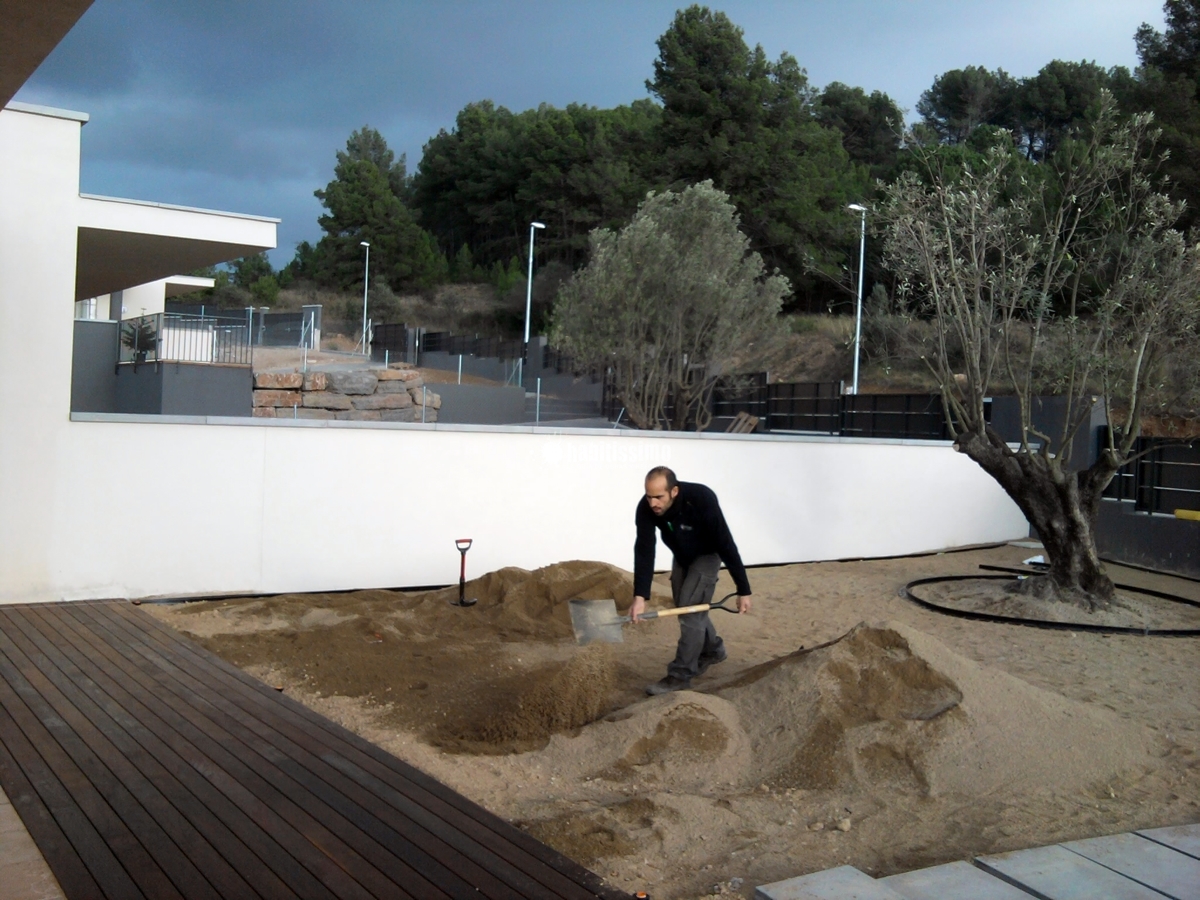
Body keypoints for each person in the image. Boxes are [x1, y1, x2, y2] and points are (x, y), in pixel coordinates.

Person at [632, 466, 752, 695]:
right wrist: (640, 597)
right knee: (686, 606)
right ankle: (713, 650)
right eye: (649, 497)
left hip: (707, 555)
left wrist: (743, 589)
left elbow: (726, 543)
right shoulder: (646, 508)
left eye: (659, 497)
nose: (653, 503)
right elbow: (644, 550)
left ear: (674, 491)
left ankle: (680, 675)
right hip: (682, 556)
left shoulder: (700, 499)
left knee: (689, 611)